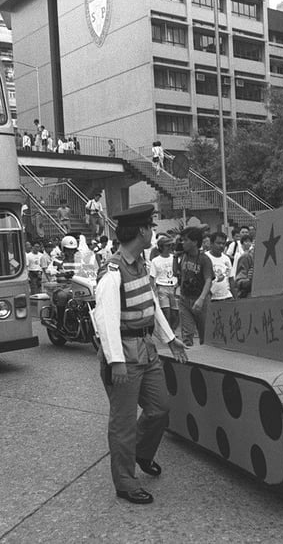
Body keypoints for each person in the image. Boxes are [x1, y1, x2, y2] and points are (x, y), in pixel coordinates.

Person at [93, 204, 188, 505]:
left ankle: (141, 454)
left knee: (160, 408)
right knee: (122, 424)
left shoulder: (141, 264)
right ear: (142, 232)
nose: (153, 233)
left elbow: (151, 304)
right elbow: (105, 319)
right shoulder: (112, 270)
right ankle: (125, 482)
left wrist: (170, 339)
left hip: (147, 349)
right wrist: (116, 361)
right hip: (125, 354)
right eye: (150, 228)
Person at [177, 226, 213, 348]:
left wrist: (202, 299)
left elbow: (208, 280)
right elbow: (177, 273)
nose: (183, 243)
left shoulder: (205, 259)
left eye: (186, 240)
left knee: (205, 336)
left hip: (200, 300)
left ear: (195, 242)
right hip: (184, 299)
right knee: (187, 334)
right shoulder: (183, 256)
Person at [149, 234, 178, 329]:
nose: (169, 247)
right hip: (162, 287)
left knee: (175, 312)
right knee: (166, 312)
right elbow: (152, 277)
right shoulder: (155, 261)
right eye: (167, 245)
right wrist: (153, 290)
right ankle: (168, 331)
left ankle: (172, 329)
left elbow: (178, 272)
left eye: (170, 245)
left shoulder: (174, 258)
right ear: (161, 247)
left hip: (174, 287)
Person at [206, 231, 234, 302]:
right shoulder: (205, 258)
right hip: (211, 299)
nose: (221, 246)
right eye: (218, 243)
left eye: (223, 243)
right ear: (211, 243)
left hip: (227, 297)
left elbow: (230, 279)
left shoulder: (226, 259)